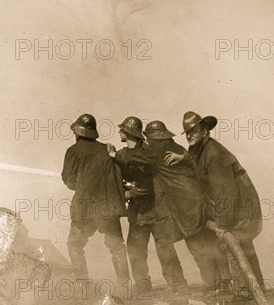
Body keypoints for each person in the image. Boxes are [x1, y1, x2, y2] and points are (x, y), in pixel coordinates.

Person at [109, 120, 231, 291]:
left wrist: (116, 159)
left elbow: (141, 170)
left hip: (169, 209)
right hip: (153, 210)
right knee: (140, 250)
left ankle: (188, 286)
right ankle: (148, 286)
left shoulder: (152, 151)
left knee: (174, 248)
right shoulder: (167, 148)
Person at [165, 111, 265, 291]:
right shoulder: (201, 150)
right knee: (243, 246)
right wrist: (183, 158)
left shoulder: (215, 155)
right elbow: (196, 160)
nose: (189, 135)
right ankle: (257, 287)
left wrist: (222, 225)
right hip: (242, 208)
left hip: (241, 210)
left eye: (194, 131)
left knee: (232, 244)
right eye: (187, 132)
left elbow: (225, 194)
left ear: (205, 131)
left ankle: (244, 293)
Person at [112, 116, 188, 293]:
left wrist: (129, 192)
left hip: (156, 210)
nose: (119, 132)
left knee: (164, 249)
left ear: (128, 133)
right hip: (138, 212)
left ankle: (178, 286)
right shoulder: (123, 154)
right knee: (135, 250)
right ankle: (143, 286)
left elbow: (148, 186)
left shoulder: (148, 152)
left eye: (122, 129)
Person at [62, 114, 130, 284]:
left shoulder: (73, 151)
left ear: (78, 131)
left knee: (75, 245)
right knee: (117, 248)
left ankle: (83, 283)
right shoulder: (107, 149)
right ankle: (124, 284)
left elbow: (69, 181)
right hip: (108, 207)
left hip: (85, 208)